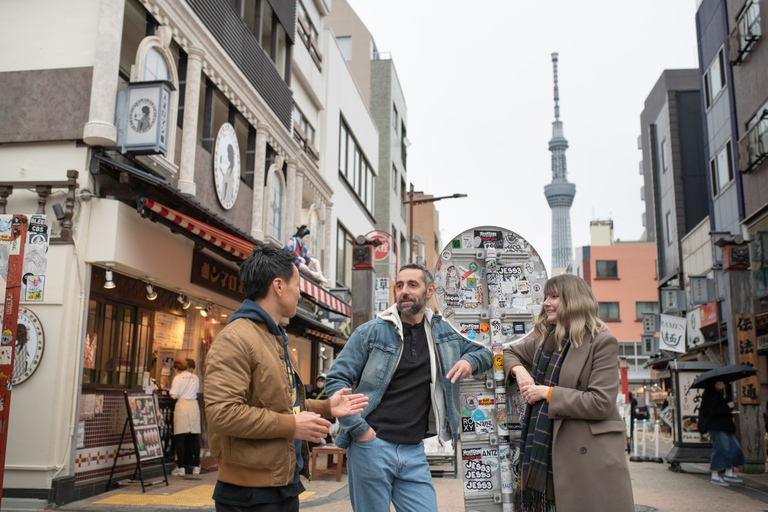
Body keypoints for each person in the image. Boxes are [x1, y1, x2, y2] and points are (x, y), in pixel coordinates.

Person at [204, 245, 368, 512]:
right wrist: (291, 426)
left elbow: (279, 402)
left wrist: (326, 407)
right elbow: (222, 414)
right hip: (248, 494)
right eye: (297, 284)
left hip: (281, 483)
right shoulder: (236, 338)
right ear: (278, 286)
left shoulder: (274, 337)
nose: (300, 292)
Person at [325, 263, 493, 512]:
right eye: (400, 285)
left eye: (413, 285)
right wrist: (360, 430)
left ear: (429, 291)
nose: (405, 291)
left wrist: (469, 360)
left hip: (414, 450)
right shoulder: (370, 332)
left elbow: (486, 351)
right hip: (371, 445)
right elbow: (336, 380)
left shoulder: (445, 332)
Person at [504, 274, 633, 512]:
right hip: (546, 446)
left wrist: (548, 393)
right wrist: (520, 371)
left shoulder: (601, 342)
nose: (546, 303)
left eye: (554, 297)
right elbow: (508, 352)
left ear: (574, 300)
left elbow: (600, 402)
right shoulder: (546, 342)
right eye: (545, 297)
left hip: (586, 453)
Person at [699, 380, 745, 486]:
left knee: (734, 447)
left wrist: (726, 402)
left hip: (725, 426)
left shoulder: (719, 395)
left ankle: (729, 471)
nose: (721, 384)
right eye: (719, 382)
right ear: (713, 383)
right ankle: (715, 474)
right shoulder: (710, 396)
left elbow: (721, 410)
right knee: (720, 449)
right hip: (716, 427)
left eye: (722, 382)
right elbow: (714, 412)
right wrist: (727, 406)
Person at [169, 359, 201, 476]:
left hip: (182, 406)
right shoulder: (195, 377)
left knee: (180, 437)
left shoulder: (178, 378)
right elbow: (196, 391)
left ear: (177, 369)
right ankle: (196, 466)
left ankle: (181, 467)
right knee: (195, 436)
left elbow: (173, 395)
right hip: (193, 405)